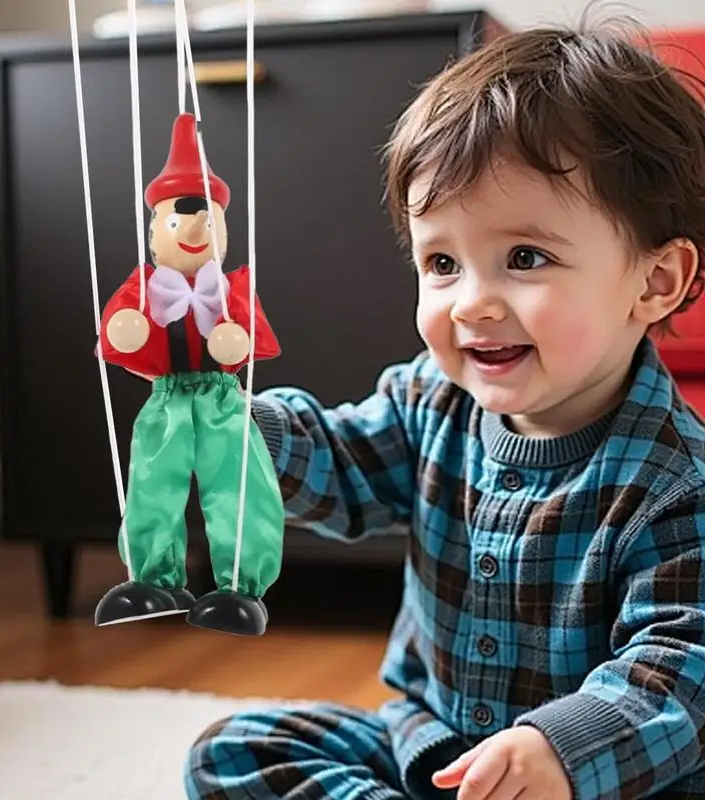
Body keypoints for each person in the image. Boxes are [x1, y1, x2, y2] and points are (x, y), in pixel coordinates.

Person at [184, 19, 705, 800]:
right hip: (428, 749)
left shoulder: (678, 485)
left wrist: (557, 750)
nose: (472, 303)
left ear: (656, 282)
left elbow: (679, 676)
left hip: (591, 784)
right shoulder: (428, 401)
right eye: (441, 263)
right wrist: (239, 432)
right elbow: (341, 464)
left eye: (525, 258)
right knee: (232, 752)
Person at [94, 112, 284, 636]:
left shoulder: (231, 288)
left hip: (222, 399)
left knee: (236, 484)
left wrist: (235, 339)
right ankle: (154, 577)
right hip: (167, 398)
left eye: (206, 220)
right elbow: (121, 329)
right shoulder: (146, 287)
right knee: (154, 479)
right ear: (156, 232)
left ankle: (240, 586)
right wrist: (126, 328)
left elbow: (251, 336)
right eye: (178, 221)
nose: (194, 232)